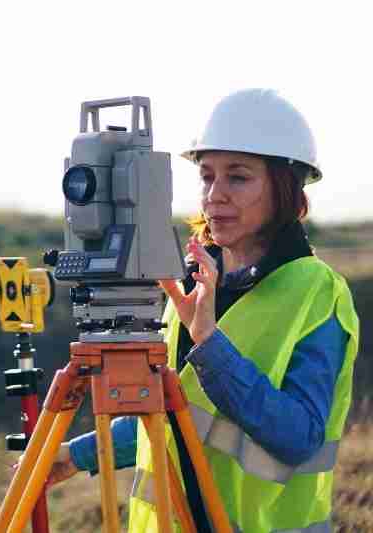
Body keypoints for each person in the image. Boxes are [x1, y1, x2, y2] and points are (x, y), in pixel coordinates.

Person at [46, 89, 360, 533]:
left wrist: (211, 346)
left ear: (286, 187)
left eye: (238, 177)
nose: (215, 195)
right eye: (207, 176)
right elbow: (179, 419)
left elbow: (297, 439)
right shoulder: (192, 286)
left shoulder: (316, 291)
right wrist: (75, 456)